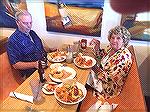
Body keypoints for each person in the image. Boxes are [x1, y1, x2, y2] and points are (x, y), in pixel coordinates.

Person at [87, 26, 133, 99]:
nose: (114, 40)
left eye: (118, 38)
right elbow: (104, 59)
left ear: (124, 41)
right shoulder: (112, 48)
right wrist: (97, 48)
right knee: (84, 69)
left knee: (84, 73)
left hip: (107, 87)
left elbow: (108, 78)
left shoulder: (122, 57)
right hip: (102, 76)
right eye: (112, 37)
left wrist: (93, 66)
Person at [7, 10, 53, 79]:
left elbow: (40, 49)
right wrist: (34, 64)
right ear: (17, 22)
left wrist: (51, 50)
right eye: (25, 23)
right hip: (32, 73)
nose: (29, 26)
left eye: (30, 23)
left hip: (45, 64)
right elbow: (15, 65)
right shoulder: (13, 40)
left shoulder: (32, 33)